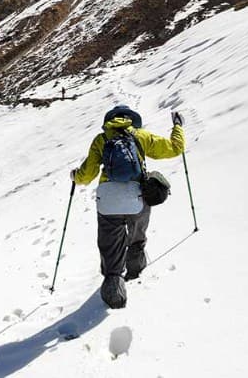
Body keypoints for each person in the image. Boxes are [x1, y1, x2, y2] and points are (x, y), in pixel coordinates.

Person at [70, 105, 185, 309]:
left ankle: (114, 288)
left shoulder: (101, 140)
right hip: (138, 197)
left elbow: (87, 175)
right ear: (131, 120)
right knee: (137, 234)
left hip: (108, 199)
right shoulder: (141, 136)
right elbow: (175, 148)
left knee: (110, 244)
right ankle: (136, 270)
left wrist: (75, 176)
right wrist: (177, 126)